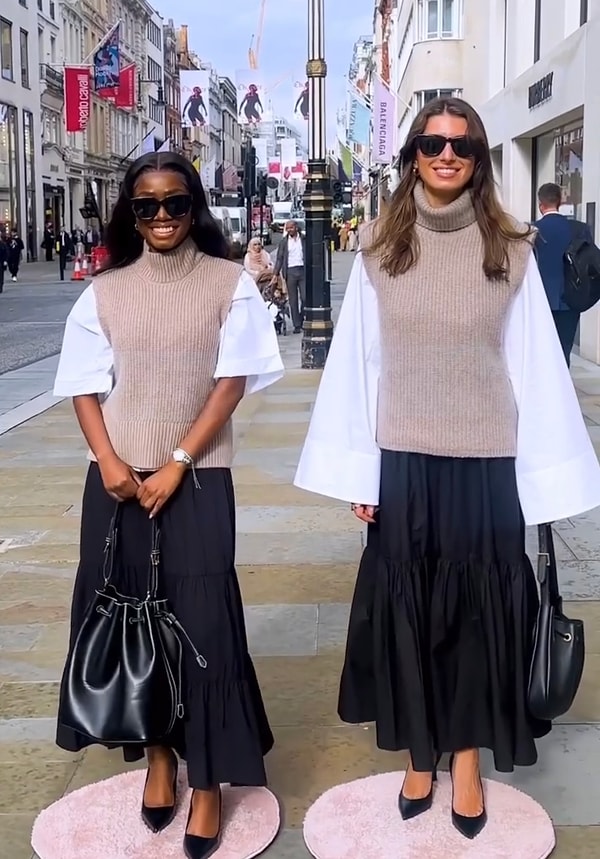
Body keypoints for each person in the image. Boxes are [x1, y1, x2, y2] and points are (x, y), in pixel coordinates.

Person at [294, 97, 600, 839]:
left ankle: (464, 757)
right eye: (431, 142)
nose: (445, 154)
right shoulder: (376, 248)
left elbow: (534, 368)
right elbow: (359, 369)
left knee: (472, 617)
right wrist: (361, 475)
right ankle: (420, 752)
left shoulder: (513, 248)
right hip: (403, 461)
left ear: (479, 157)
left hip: (487, 463)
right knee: (409, 614)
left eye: (461, 145)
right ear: (412, 155)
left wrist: (543, 481)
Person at [53, 151, 283, 859]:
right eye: (146, 205)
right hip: (117, 483)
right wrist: (114, 463)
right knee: (131, 615)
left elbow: (231, 382)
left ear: (195, 208)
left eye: (174, 204)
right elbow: (84, 386)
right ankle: (158, 757)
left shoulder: (228, 285)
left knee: (204, 625)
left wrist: (178, 462)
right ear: (130, 210)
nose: (160, 216)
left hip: (200, 476)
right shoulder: (105, 291)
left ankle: (208, 779)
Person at [534, 182, 595, 366]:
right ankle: (563, 390)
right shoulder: (579, 229)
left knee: (540, 351)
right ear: (559, 202)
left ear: (540, 204)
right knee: (564, 351)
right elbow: (590, 262)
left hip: (540, 301)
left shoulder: (530, 230)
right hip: (570, 299)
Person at [272, 220, 305, 333]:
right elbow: (280, 258)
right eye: (288, 228)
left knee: (305, 298)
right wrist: (275, 274)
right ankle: (297, 325)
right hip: (290, 271)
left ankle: (301, 318)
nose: (289, 230)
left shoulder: (303, 239)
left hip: (302, 270)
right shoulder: (284, 242)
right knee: (293, 300)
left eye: (291, 227)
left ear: (296, 227)